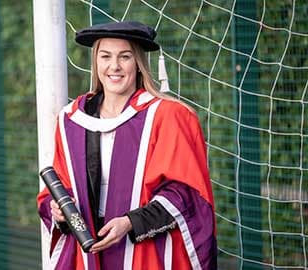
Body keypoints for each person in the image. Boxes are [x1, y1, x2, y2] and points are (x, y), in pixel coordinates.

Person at [37, 21, 217, 270]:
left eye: (125, 57)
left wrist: (130, 222)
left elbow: (186, 193)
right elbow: (51, 195)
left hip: (145, 250)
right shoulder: (71, 120)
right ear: (96, 62)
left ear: (139, 63)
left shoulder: (167, 116)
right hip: (88, 252)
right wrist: (58, 212)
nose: (114, 66)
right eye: (105, 56)